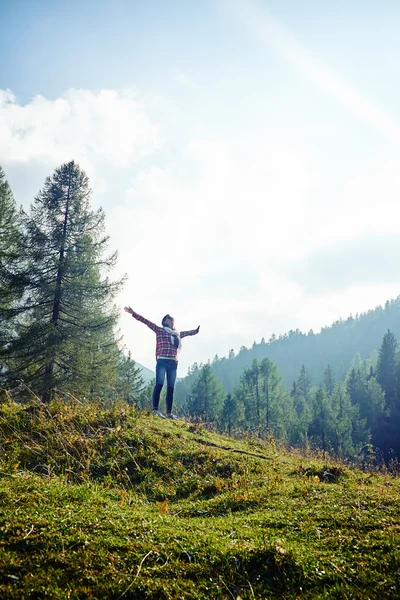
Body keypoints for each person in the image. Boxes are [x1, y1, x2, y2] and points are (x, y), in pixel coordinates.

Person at [124, 307, 200, 419]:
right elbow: (146, 321)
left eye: (173, 319)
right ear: (165, 321)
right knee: (159, 384)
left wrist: (195, 331)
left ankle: (169, 413)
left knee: (171, 388)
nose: (172, 320)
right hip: (162, 361)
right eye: (170, 319)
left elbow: (187, 333)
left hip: (173, 362)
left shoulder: (176, 334)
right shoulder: (159, 330)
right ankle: (155, 410)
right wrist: (133, 313)